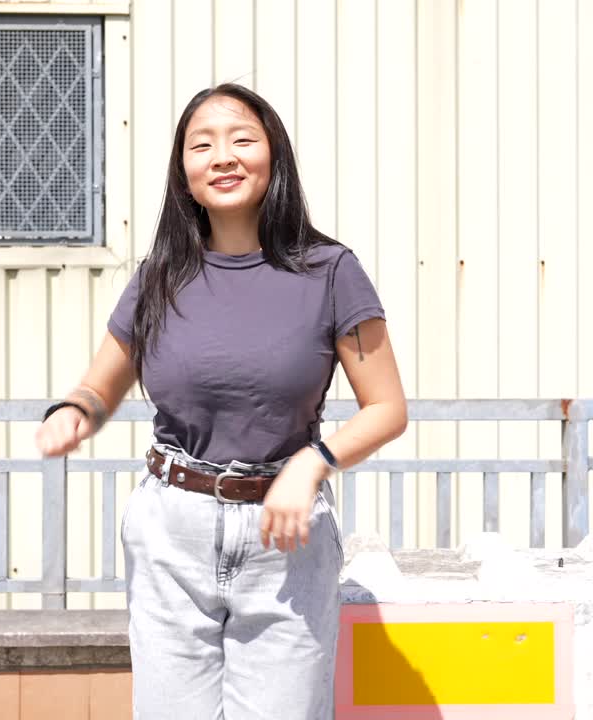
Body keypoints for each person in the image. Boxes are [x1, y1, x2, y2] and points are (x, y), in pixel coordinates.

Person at [35, 83, 407, 720]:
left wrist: (311, 462)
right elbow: (99, 387)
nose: (223, 156)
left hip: (284, 539)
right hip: (170, 532)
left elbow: (387, 409)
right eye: (202, 144)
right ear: (184, 173)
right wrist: (72, 413)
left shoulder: (329, 271)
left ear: (273, 158)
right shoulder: (160, 275)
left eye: (242, 139)